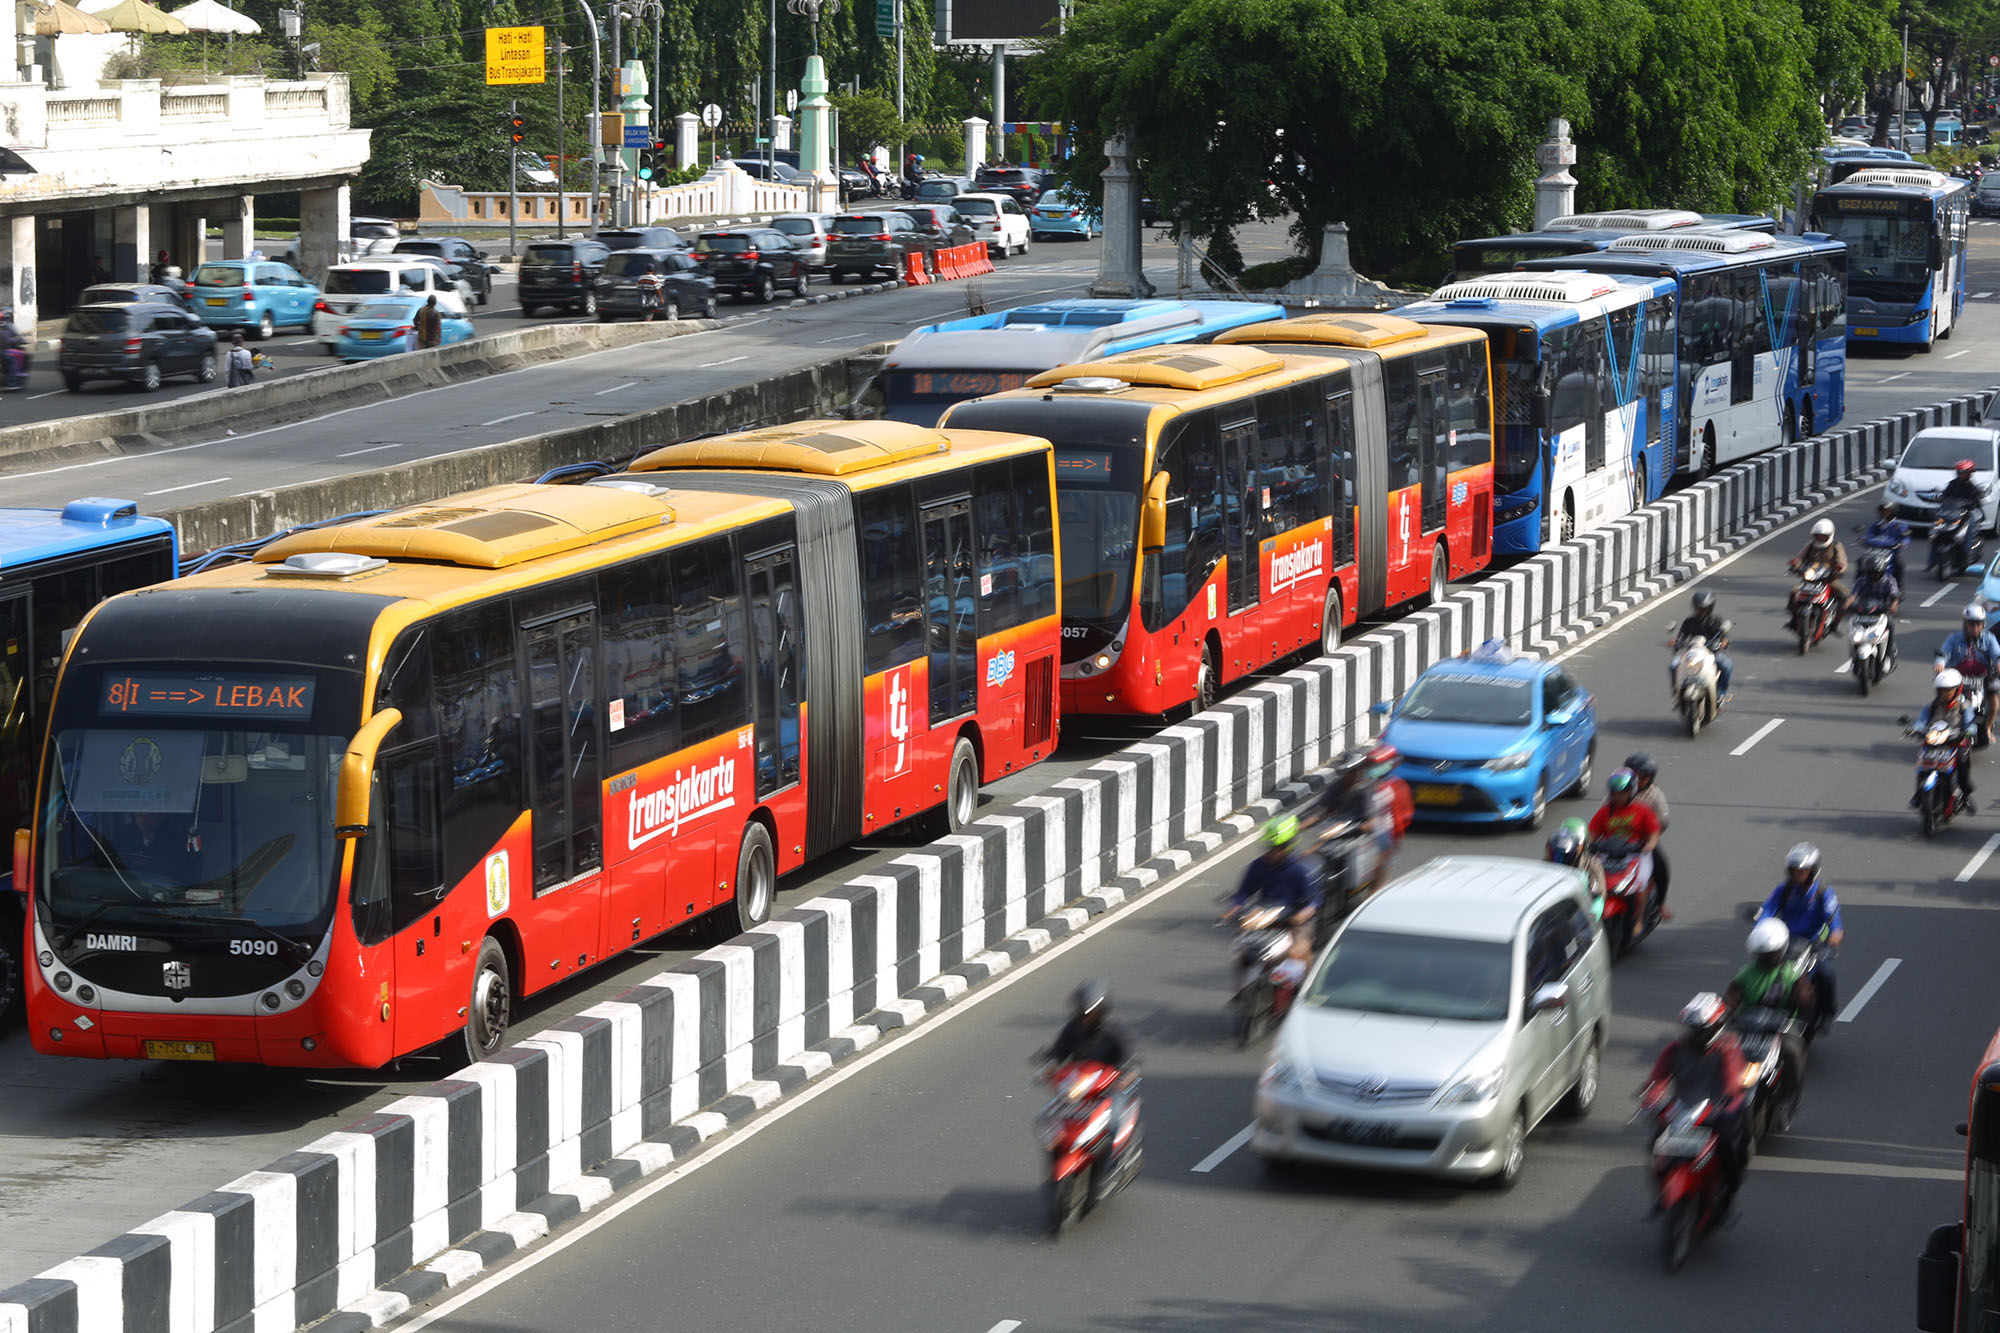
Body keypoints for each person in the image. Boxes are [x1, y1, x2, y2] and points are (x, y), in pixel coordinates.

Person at [1644, 993, 1749, 1218]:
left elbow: (1732, 1082)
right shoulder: (1674, 1049)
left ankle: (1727, 1201)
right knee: (1654, 1148)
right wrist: (1652, 1100)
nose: (1695, 1035)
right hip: (1682, 1112)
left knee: (1730, 1152)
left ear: (1716, 1026)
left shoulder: (1727, 1047)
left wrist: (1728, 1104)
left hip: (1718, 1113)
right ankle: (1662, 1195)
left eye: (1700, 1030)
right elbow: (1659, 1078)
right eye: (1692, 1029)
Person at [1753, 842, 1843, 1035]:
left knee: (1826, 975)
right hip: (1784, 943)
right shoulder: (1783, 890)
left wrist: (1835, 934)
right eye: (1794, 870)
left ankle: (1826, 1014)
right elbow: (1767, 911)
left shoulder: (1822, 893)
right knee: (1759, 970)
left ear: (1812, 871)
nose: (1797, 875)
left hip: (1813, 945)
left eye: (1802, 871)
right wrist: (1760, 927)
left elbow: (1834, 918)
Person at [1725, 918, 1813, 1100]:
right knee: (1720, 1051)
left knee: (1793, 1052)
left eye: (1771, 953)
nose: (1766, 957)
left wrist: (1801, 994)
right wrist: (1724, 1016)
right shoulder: (1745, 974)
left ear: (1781, 950)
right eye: (1762, 953)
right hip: (1747, 1027)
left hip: (1782, 1028)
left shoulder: (1792, 973)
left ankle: (1789, 1098)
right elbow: (1730, 1003)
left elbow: (1806, 1006)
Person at [1222, 816, 1320, 930]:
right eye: (1268, 848)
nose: (1270, 853)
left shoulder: (1301, 870)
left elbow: (1314, 901)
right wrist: (1233, 909)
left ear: (1286, 848)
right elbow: (1244, 891)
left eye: (1275, 849)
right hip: (1266, 914)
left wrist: (1303, 914)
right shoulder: (1259, 865)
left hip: (1293, 919)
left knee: (1298, 948)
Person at [1585, 768, 1662, 895]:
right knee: (1591, 883)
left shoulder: (1643, 810)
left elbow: (1653, 834)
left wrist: (1648, 846)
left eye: (1622, 793)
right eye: (1615, 793)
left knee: (1640, 886)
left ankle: (1639, 915)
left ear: (1631, 792)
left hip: (1635, 854)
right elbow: (1591, 834)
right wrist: (1587, 846)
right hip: (1607, 854)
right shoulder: (1604, 812)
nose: (1618, 796)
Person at [1917, 668, 1981, 812]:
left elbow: (1971, 724)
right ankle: (1917, 794)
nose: (1943, 694)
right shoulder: (1931, 706)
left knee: (1963, 764)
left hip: (1956, 742)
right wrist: (1915, 729)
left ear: (1957, 690)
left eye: (1948, 691)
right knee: (1922, 764)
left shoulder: (1964, 706)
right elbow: (1921, 721)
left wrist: (1968, 731)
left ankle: (1966, 795)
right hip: (1934, 741)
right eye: (1940, 691)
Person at [1935, 604, 2000, 743]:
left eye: (1978, 624)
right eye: (1971, 624)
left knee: (1994, 698)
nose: (1975, 628)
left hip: (1983, 677)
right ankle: (1939, 726)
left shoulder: (1989, 638)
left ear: (1983, 625)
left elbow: (1997, 655)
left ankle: (1988, 727)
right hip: (1958, 677)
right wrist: (1940, 663)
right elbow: (1943, 654)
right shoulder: (1954, 638)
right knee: (1941, 697)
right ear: (1965, 624)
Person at [1624, 752, 1671, 915]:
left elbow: (1663, 821)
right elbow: (1604, 811)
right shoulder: (1618, 790)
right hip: (1615, 840)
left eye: (1643, 777)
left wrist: (1647, 831)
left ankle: (1660, 903)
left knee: (1661, 865)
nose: (1638, 780)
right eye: (1635, 776)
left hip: (1642, 842)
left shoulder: (1655, 795)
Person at [1671, 588, 1732, 702]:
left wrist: (1724, 642)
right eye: (1699, 609)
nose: (1701, 611)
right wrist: (1676, 642)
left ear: (1710, 608)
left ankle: (1721, 693)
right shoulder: (1688, 622)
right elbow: (1681, 636)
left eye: (1705, 609)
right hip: (1691, 654)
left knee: (1727, 665)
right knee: (1673, 665)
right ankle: (1677, 692)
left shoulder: (1716, 621)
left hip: (1711, 653)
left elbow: (1723, 636)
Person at [1788, 518, 1850, 631]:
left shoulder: (1836, 546)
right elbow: (1800, 558)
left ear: (1830, 535)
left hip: (1828, 579)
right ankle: (1794, 618)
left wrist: (1839, 569)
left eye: (1823, 536)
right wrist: (1795, 565)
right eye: (1818, 536)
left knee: (1845, 595)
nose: (1820, 538)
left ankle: (1836, 622)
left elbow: (1842, 560)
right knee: (1794, 593)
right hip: (1810, 578)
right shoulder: (1811, 545)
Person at [114, 810, 200, 884]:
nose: (143, 820)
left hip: (162, 886)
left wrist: (149, 863)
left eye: (149, 815)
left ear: (161, 817)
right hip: (129, 884)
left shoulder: (175, 839)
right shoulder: (123, 834)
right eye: (139, 815)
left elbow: (180, 869)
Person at [1545, 818, 1605, 916]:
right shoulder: (1553, 856)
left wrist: (1592, 915)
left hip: (1579, 909)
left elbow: (1599, 895)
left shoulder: (1593, 864)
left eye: (1578, 844)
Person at [1938, 459, 1989, 572]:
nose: (1961, 474)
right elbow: (1945, 496)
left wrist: (1971, 504)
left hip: (1967, 515)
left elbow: (1976, 501)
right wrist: (1941, 499)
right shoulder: (1952, 484)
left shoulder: (1971, 487)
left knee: (1969, 528)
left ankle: (1967, 555)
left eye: (1964, 472)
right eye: (1960, 472)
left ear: (1969, 473)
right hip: (1953, 513)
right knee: (1937, 524)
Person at [1861, 498, 1910, 585]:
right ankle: (1860, 584)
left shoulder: (1899, 525)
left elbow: (1905, 538)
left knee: (1899, 566)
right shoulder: (1876, 525)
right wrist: (1864, 539)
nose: (1884, 513)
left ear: (1893, 511)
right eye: (1883, 511)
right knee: (1861, 562)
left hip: (1890, 552)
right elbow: (1869, 534)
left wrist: (1902, 544)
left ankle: (1898, 586)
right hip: (1875, 552)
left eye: (1887, 511)